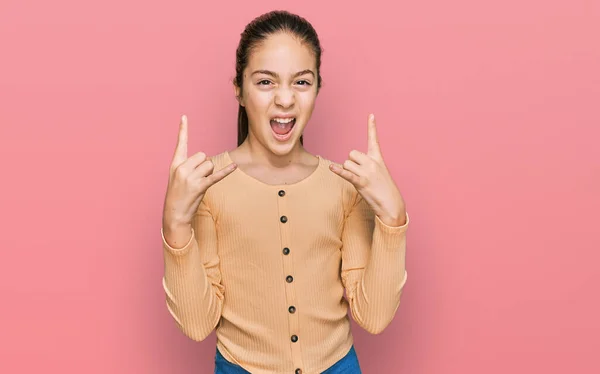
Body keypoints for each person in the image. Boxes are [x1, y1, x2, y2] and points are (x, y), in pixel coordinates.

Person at [160, 10, 409, 374]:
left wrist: (393, 219)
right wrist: (175, 225)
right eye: (265, 82)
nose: (285, 100)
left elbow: (374, 318)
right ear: (239, 90)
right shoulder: (204, 186)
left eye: (302, 82)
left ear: (318, 88)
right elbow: (197, 325)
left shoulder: (346, 185)